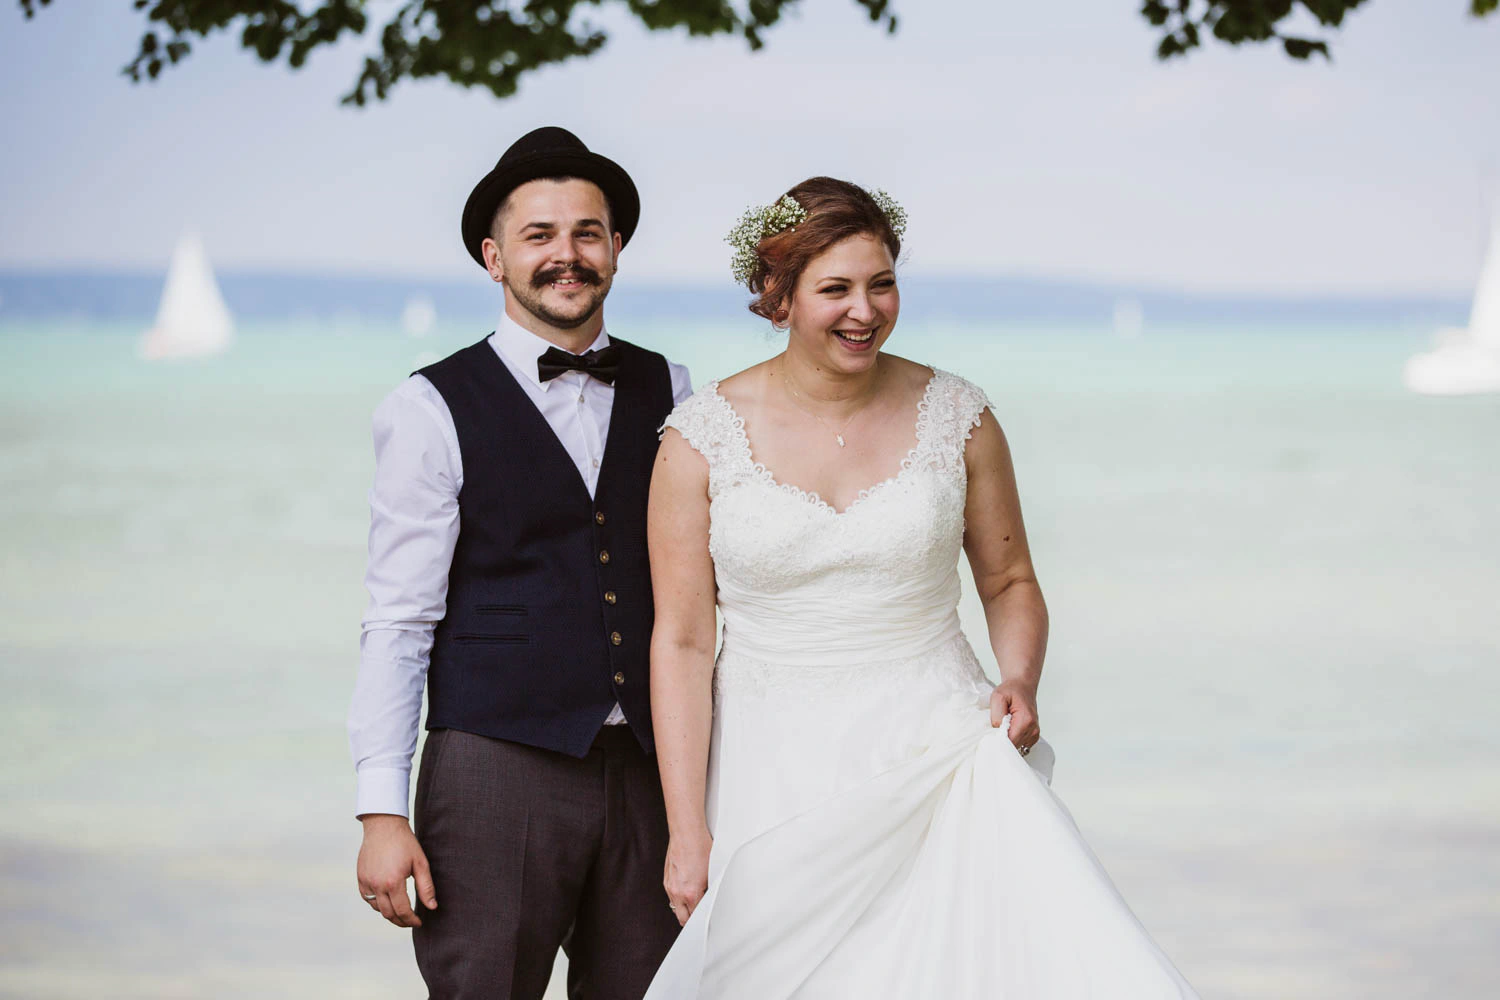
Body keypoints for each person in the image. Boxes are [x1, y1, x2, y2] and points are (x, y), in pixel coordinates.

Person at [643, 177, 1199, 997]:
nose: (864, 311)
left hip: (942, 751)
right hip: (771, 768)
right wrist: (686, 829)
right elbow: (684, 641)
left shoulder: (958, 415)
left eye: (882, 283)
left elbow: (1010, 581)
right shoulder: (699, 439)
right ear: (779, 295)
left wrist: (1020, 679)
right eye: (835, 289)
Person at [347, 126, 691, 1000]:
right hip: (496, 768)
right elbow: (398, 618)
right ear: (495, 258)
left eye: (587, 233)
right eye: (540, 235)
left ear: (616, 248)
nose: (566, 255)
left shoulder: (677, 391)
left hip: (655, 770)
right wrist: (382, 811)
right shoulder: (428, 407)